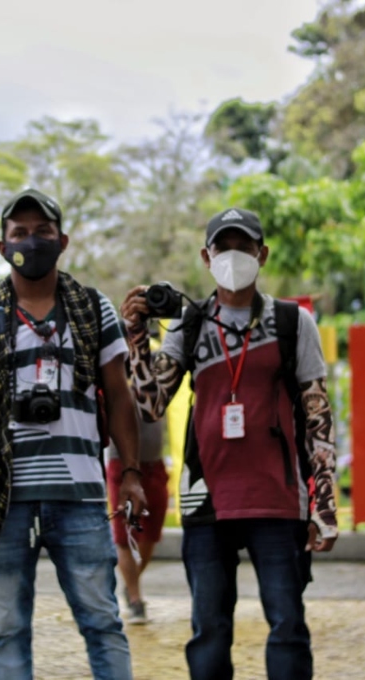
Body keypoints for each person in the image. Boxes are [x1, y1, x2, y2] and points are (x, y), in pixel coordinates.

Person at [119, 207, 339, 680]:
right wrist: (137, 337)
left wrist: (324, 501)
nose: (233, 255)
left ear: (262, 254)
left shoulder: (292, 322)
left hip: (279, 501)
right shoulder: (189, 324)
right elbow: (150, 404)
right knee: (209, 631)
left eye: (244, 246)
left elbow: (318, 415)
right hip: (207, 502)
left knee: (287, 626)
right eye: (224, 247)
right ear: (206, 255)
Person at [0, 188, 147, 680]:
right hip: (2, 500)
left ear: (63, 240)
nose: (31, 242)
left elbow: (119, 397)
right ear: (2, 246)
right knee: (7, 628)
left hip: (79, 498)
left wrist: (131, 472)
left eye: (43, 233)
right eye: (20, 234)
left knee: (102, 622)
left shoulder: (94, 309)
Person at [105, 336, 169, 626]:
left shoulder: (159, 379)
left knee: (151, 534)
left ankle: (130, 583)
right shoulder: (115, 380)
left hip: (155, 466)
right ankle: (134, 597)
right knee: (124, 533)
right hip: (122, 467)